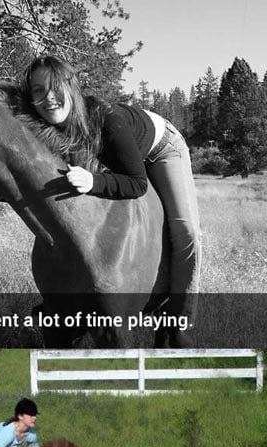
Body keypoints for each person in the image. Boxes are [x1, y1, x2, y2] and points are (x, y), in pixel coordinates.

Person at [20, 58, 201, 304]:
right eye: (39, 90)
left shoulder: (107, 119)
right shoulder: (42, 125)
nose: (49, 96)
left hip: (161, 147)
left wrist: (94, 181)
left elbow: (137, 183)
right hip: (121, 155)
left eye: (56, 87)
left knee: (185, 230)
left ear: (72, 87)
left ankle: (182, 316)